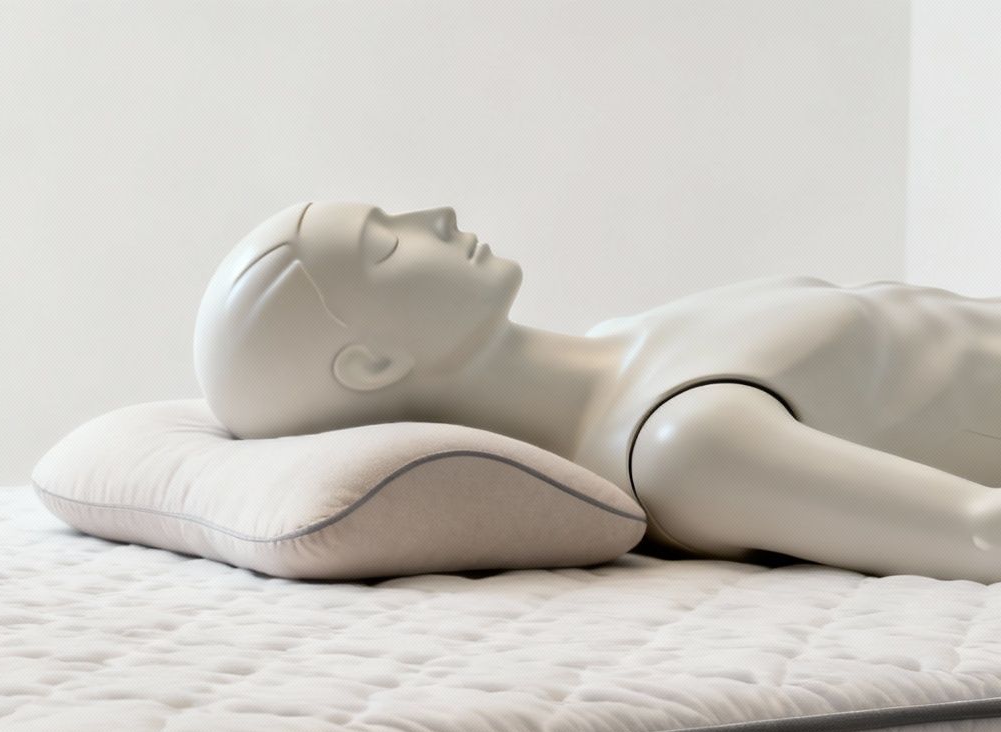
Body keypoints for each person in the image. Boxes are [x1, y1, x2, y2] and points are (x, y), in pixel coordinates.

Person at [195, 201, 1001, 581]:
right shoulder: (685, 448)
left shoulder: (625, 336)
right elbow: (978, 534)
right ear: (372, 366)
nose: (434, 216)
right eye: (385, 245)